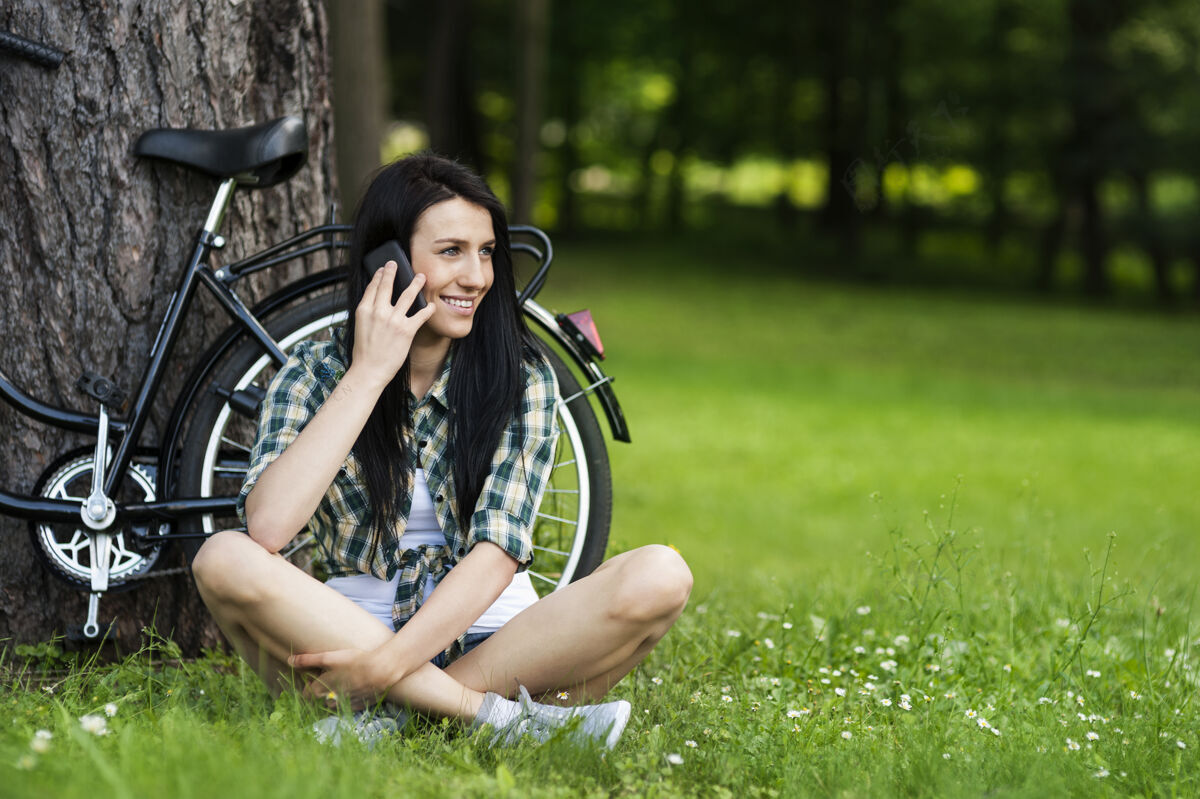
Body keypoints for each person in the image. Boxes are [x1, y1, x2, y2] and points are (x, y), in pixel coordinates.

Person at [191, 153, 692, 749]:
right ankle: (493, 722)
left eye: (485, 252)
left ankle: (399, 714)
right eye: (451, 251)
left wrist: (383, 671)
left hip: (500, 647)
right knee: (222, 555)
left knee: (661, 573)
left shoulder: (523, 379)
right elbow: (268, 527)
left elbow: (497, 552)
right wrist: (368, 375)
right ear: (389, 260)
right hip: (349, 632)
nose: (477, 277)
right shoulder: (313, 372)